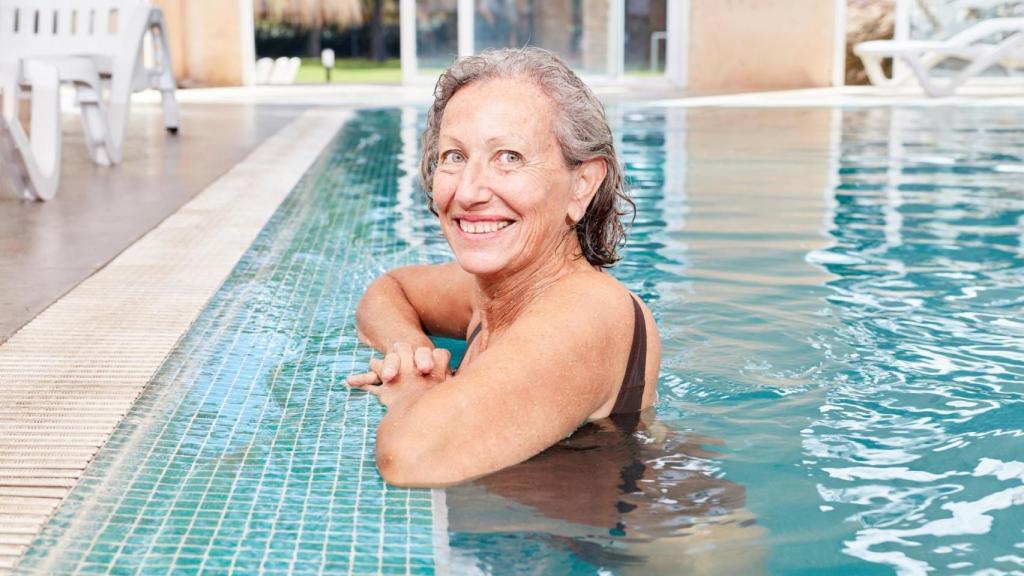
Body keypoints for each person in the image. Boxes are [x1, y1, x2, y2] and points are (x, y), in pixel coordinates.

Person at [346, 47, 661, 487]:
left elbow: (411, 456)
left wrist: (416, 392)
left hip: (653, 548)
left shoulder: (587, 312)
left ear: (582, 185)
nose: (470, 190)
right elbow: (389, 289)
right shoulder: (498, 291)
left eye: (509, 157)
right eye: (454, 156)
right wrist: (412, 354)